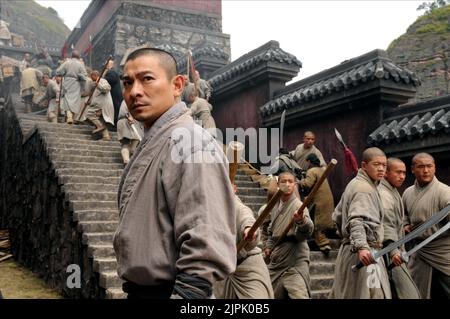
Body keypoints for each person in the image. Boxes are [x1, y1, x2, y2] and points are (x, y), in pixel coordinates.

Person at [113, 47, 236, 299]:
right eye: (127, 83)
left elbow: (205, 238)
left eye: (147, 79)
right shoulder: (155, 139)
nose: (134, 91)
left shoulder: (190, 141)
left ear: (177, 85)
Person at [330, 147, 391, 299]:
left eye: (384, 165)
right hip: (364, 253)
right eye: (376, 164)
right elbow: (356, 220)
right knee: (374, 294)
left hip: (353, 250)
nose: (381, 168)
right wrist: (362, 247)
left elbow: (337, 216)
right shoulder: (363, 188)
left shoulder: (357, 184)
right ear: (364, 166)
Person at [402, 153, 450, 299]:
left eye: (429, 166)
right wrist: (405, 225)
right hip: (419, 250)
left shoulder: (444, 191)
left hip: (443, 250)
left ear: (434, 168)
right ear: (412, 169)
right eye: (421, 166)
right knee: (412, 292)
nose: (426, 170)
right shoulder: (408, 193)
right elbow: (404, 215)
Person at [214, 184, 274, 299]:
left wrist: (248, 229)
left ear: (235, 189)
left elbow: (247, 218)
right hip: (224, 268)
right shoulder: (213, 209)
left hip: (248, 266)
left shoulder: (238, 206)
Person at [263, 171, 314, 299]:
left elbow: (308, 230)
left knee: (299, 295)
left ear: (294, 184)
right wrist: (268, 247)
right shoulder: (275, 206)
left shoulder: (299, 206)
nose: (287, 184)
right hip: (278, 260)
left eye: (290, 181)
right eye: (283, 181)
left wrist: (301, 220)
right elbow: (271, 232)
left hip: (294, 259)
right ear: (278, 184)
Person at [378, 157, 420, 299]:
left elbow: (396, 221)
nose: (402, 176)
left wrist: (404, 227)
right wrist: (394, 251)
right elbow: (387, 225)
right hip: (387, 251)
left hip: (394, 249)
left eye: (404, 173)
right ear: (386, 173)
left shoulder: (393, 191)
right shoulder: (384, 194)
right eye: (398, 172)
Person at [299, 153, 335, 255]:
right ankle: (322, 242)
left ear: (309, 162)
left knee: (317, 223)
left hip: (319, 201)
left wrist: (300, 181)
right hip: (327, 199)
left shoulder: (312, 171)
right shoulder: (321, 170)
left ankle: (324, 245)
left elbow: (308, 184)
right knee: (321, 222)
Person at [56, 50, 88, 124]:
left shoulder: (67, 62)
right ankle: (71, 117)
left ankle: (69, 116)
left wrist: (63, 73)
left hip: (67, 82)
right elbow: (84, 75)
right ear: (78, 57)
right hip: (76, 83)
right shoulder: (80, 64)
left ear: (71, 56)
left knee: (66, 99)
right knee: (74, 101)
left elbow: (58, 72)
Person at [83, 70, 114, 141]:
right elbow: (96, 96)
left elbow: (107, 89)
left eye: (91, 77)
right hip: (98, 104)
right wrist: (89, 102)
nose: (91, 79)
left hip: (103, 105)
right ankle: (106, 136)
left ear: (94, 76)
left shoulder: (102, 81)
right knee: (100, 119)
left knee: (89, 114)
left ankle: (100, 126)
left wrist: (98, 85)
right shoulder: (94, 83)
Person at [116, 100, 143, 166]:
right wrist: (128, 116)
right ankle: (126, 160)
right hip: (125, 122)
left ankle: (130, 158)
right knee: (125, 142)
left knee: (135, 143)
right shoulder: (127, 100)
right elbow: (124, 110)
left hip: (136, 124)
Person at [103, 59, 123, 125]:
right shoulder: (111, 72)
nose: (105, 66)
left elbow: (110, 80)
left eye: (106, 64)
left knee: (115, 110)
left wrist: (102, 79)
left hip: (114, 95)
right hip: (115, 95)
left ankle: (114, 124)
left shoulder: (111, 72)